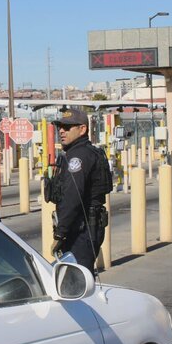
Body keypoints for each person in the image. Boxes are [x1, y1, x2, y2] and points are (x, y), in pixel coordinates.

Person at [44, 108, 113, 273]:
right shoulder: (82, 152)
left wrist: (60, 234)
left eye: (67, 127)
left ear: (82, 129)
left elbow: (72, 197)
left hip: (81, 230)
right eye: (60, 127)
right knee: (77, 279)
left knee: (77, 282)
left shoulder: (78, 157)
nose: (61, 131)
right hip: (85, 227)